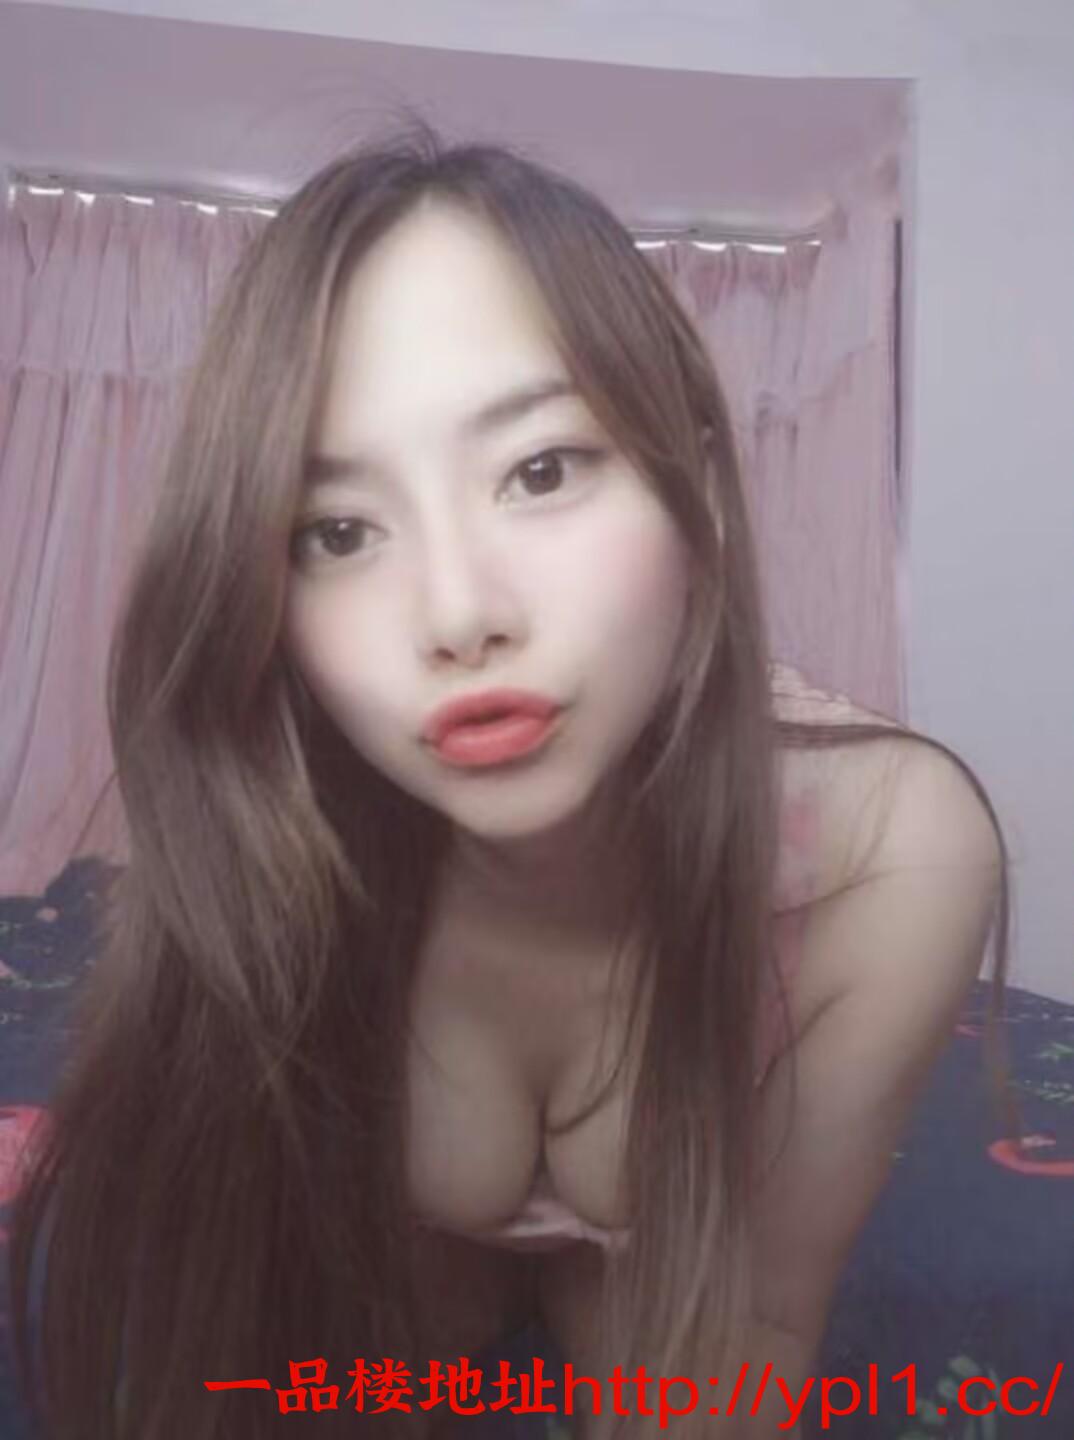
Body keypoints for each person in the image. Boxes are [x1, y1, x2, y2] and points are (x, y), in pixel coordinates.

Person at [6, 120, 1012, 1440]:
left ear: (701, 496)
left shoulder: (893, 851)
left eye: (541, 470)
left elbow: (765, 1309)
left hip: (675, 1263)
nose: (457, 613)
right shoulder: (279, 837)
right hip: (403, 1255)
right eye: (338, 531)